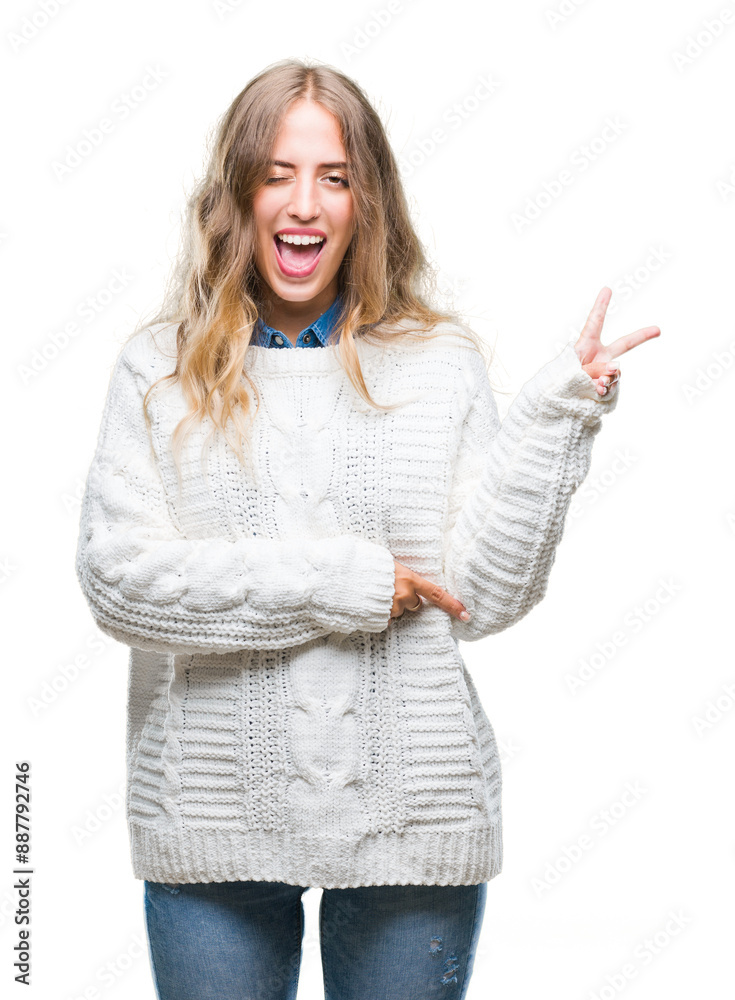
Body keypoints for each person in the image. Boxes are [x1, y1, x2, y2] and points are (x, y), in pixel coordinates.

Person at [74, 58, 660, 1000]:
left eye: (334, 177)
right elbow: (119, 583)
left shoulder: (436, 361)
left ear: (366, 201)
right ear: (236, 193)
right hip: (211, 814)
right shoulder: (159, 368)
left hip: (412, 813)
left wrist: (557, 418)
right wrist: (341, 584)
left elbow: (482, 598)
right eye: (276, 172)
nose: (304, 203)